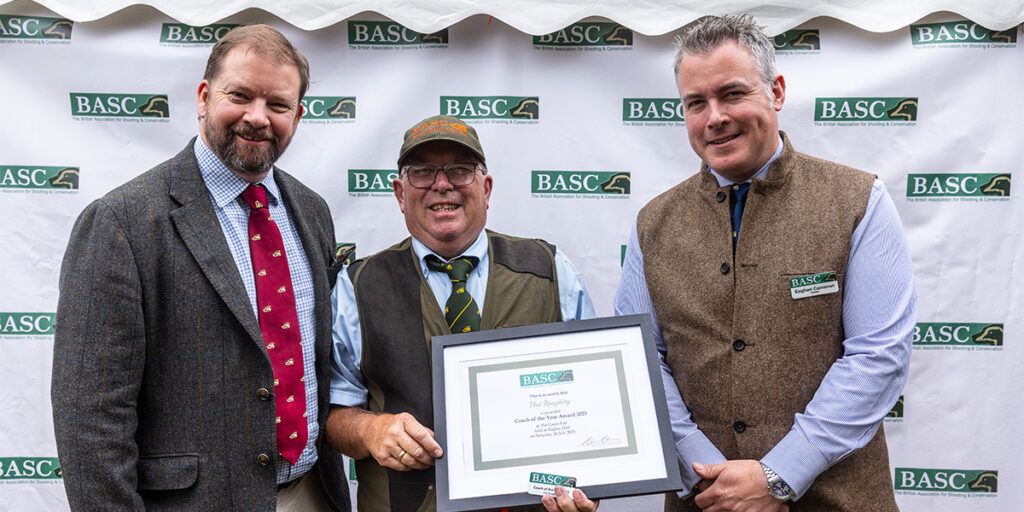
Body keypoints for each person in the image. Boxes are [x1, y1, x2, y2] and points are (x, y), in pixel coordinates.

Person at [614, 15, 917, 512]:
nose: (714, 117)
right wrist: (704, 472)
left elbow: (878, 357)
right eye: (696, 103)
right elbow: (641, 362)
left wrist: (778, 475)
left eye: (732, 94)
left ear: (775, 92)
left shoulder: (859, 200)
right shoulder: (654, 223)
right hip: (703, 499)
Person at [52, 24, 348, 511]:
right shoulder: (121, 223)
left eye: (277, 105)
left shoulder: (310, 211)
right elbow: (90, 421)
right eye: (240, 96)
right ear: (204, 97)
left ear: (297, 114)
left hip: (312, 492)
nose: (257, 117)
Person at [325, 114, 599, 512]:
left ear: (486, 188)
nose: (442, 184)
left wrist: (585, 488)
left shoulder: (549, 270)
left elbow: (593, 399)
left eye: (460, 170)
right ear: (401, 194)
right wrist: (369, 429)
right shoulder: (358, 284)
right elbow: (334, 414)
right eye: (422, 172)